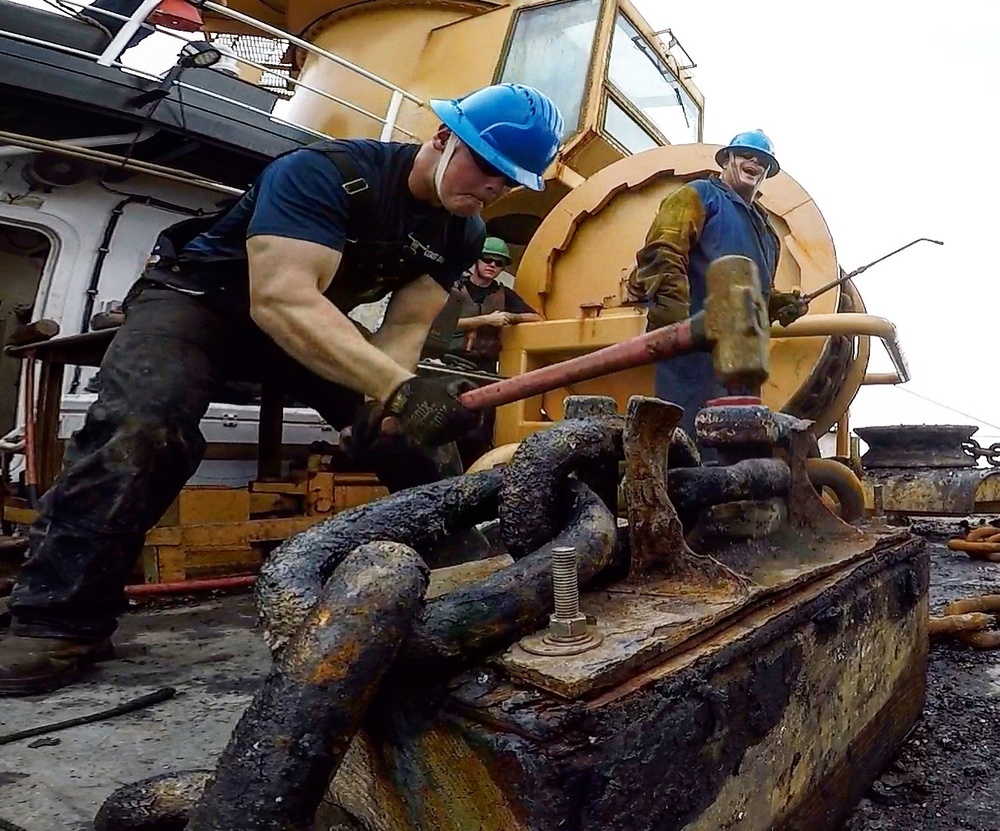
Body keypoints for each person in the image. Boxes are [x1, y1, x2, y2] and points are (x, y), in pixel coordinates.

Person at [0, 83, 564, 696]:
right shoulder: (326, 174)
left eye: (507, 182)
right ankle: (57, 622)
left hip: (303, 318)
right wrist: (399, 387)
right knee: (142, 427)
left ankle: (473, 592)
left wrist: (387, 403)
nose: (491, 188)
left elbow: (403, 328)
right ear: (441, 136)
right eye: (486, 166)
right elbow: (280, 297)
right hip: (200, 302)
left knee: (418, 443)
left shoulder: (461, 233)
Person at [625, 129, 808, 442]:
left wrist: (775, 304)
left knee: (735, 448)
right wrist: (673, 324)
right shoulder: (697, 195)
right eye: (746, 155)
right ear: (727, 159)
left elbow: (752, 290)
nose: (754, 162)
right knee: (688, 446)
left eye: (762, 160)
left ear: (766, 172)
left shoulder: (767, 233)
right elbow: (663, 251)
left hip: (742, 364)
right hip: (692, 356)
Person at [423, 236, 542, 466]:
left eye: (499, 263)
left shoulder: (502, 294)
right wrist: (485, 319)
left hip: (485, 371)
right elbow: (441, 324)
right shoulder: (455, 288)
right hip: (451, 366)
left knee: (481, 432)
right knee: (452, 426)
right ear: (476, 260)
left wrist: (513, 317)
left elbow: (536, 316)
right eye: (487, 259)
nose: (492, 266)